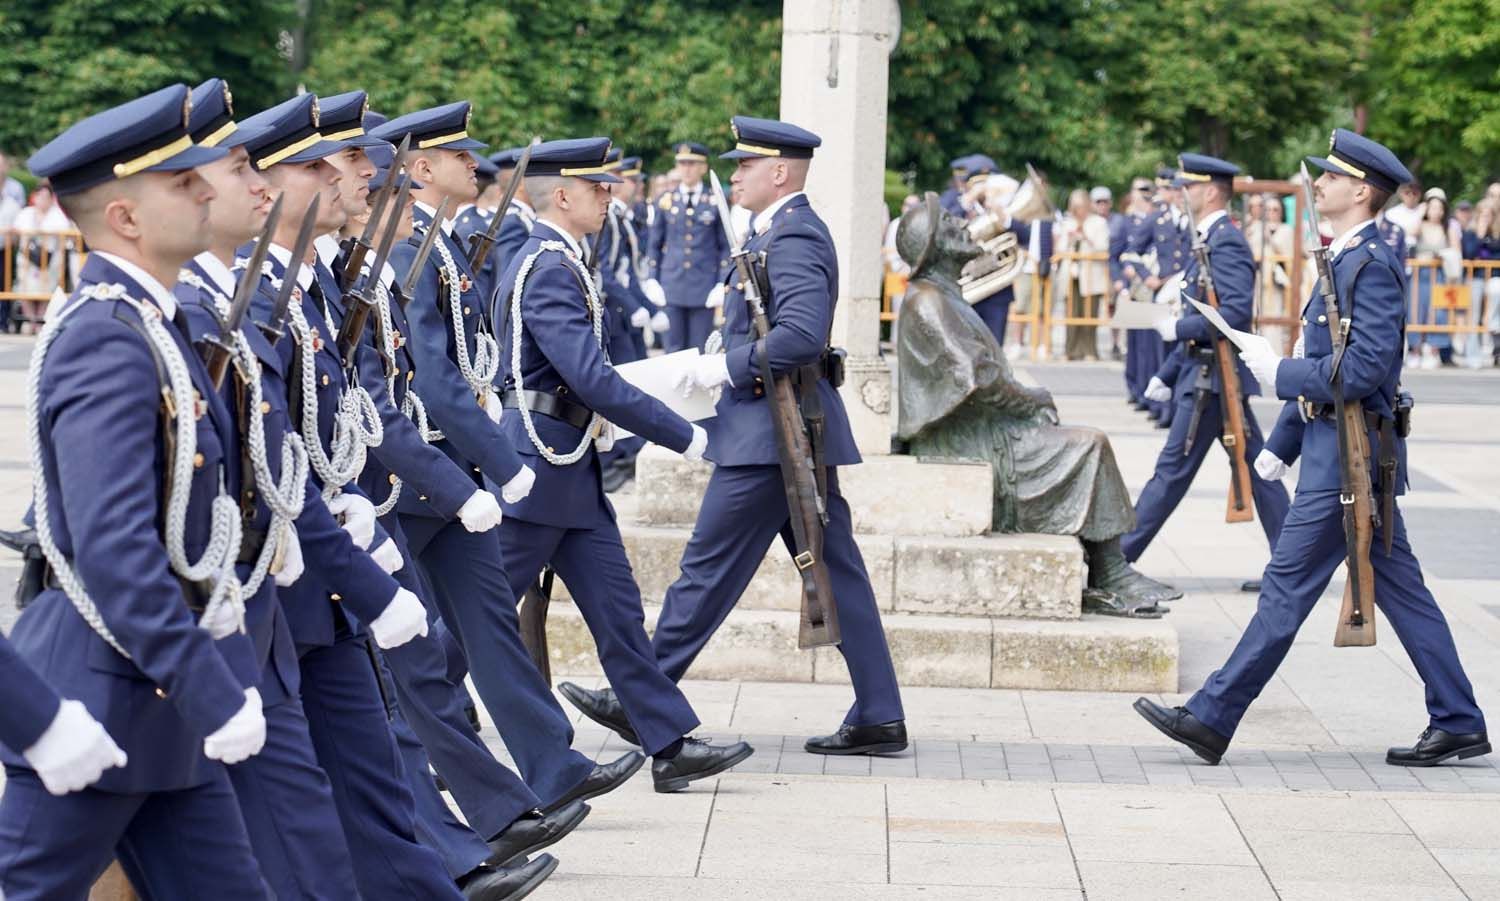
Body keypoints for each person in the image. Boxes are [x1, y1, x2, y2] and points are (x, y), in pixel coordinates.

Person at [1137, 129, 1490, 769]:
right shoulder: (1344, 258)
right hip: (1340, 452)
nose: (1319, 183)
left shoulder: (1371, 263)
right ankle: (1459, 718)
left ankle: (1212, 717)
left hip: (1349, 463)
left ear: (1361, 191)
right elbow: (1325, 364)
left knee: (1284, 589)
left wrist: (1281, 377)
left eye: (1331, 176)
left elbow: (1362, 371)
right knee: (1403, 591)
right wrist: (1282, 442)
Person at [560, 118, 909, 756]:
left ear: (779, 171)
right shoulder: (775, 231)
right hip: (781, 426)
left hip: (774, 433)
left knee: (706, 568)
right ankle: (880, 712)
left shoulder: (795, 232)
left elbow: (801, 334)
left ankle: (644, 696)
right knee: (835, 568)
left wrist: (727, 365)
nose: (734, 175)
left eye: (745, 166)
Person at [0, 82, 271, 900]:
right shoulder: (107, 341)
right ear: (124, 218)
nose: (205, 189)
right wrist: (210, 686)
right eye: (182, 183)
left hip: (155, 711)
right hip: (99, 696)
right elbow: (116, 550)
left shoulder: (155, 324)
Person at [373, 105, 650, 814]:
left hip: (449, 474)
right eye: (460, 158)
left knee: (490, 625)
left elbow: (467, 366)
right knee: (402, 646)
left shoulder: (438, 247)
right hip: (415, 478)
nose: (478, 167)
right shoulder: (409, 251)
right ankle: (412, 775)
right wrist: (502, 458)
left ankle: (551, 767)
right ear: (423, 169)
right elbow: (431, 378)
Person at [492, 135, 755, 789]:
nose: (610, 196)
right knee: (480, 609)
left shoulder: (556, 256)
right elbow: (590, 377)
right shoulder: (549, 263)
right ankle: (403, 727)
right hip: (542, 465)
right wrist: (683, 434)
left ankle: (668, 744)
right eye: (596, 187)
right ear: (561, 195)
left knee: (618, 612)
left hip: (567, 465)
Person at [1128, 154, 1291, 578]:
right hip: (1206, 375)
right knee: (1260, 469)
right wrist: (1166, 374)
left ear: (1212, 191)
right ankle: (1292, 562)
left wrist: (1177, 327)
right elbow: (1211, 314)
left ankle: (1117, 559)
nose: (1182, 194)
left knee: (1171, 473)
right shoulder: (1207, 239)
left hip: (1212, 384)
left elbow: (1233, 314)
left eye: (1189, 186)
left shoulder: (1226, 241)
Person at [645, 141, 730, 352]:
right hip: (671, 285)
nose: (687, 169)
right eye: (682, 164)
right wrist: (652, 278)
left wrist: (722, 282)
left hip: (703, 287)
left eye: (692, 164)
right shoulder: (666, 200)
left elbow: (724, 246)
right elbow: (654, 244)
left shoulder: (714, 200)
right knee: (672, 350)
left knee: (699, 350)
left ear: (703, 167)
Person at [11, 181, 76, 333]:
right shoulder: (26, 213)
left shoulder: (57, 215)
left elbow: (64, 233)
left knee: (46, 289)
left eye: (46, 196)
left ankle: (41, 320)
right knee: (26, 289)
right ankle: (30, 320)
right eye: (40, 196)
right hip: (27, 258)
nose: (42, 200)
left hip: (50, 259)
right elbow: (15, 231)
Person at [1115, 177, 1156, 401]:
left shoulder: (1155, 219)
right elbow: (1116, 254)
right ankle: (1134, 388)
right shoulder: (1126, 222)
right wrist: (1120, 276)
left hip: (1150, 288)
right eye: (1139, 190)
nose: (1143, 194)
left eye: (1147, 189)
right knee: (1134, 343)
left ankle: (1145, 390)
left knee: (1148, 343)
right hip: (1132, 288)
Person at [1060, 187, 1110, 360]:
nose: (1078, 211)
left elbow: (1103, 247)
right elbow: (1059, 249)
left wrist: (1085, 237)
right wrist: (1070, 238)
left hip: (1091, 274)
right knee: (1071, 313)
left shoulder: (1098, 223)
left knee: (1090, 313)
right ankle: (1070, 350)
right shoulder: (1067, 223)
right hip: (1072, 275)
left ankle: (1090, 350)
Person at [1410, 187, 1456, 367]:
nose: (1436, 211)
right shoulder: (1420, 225)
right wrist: (1420, 212)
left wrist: (1441, 256)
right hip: (1419, 275)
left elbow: (1456, 250)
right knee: (1416, 310)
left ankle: (1433, 349)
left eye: (1439, 207)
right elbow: (1410, 233)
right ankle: (1415, 349)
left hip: (1440, 275)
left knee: (1437, 311)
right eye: (1432, 207)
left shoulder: (1448, 227)